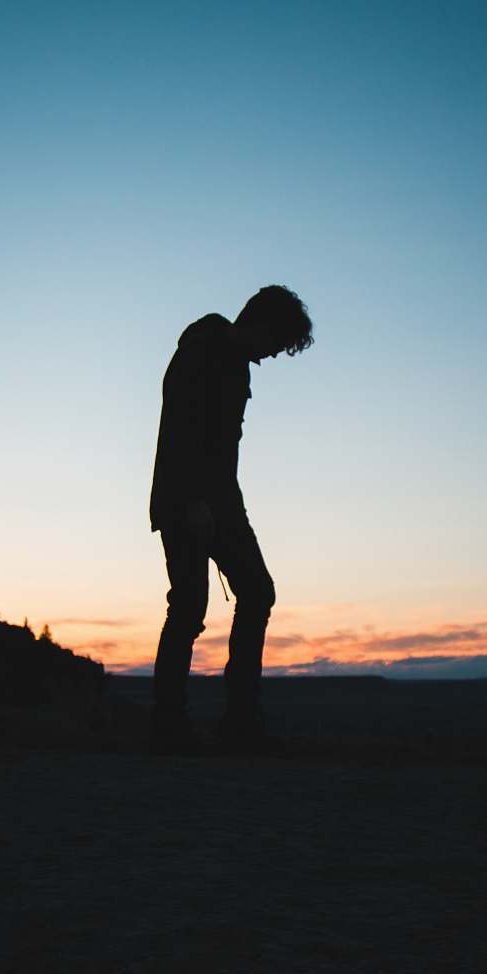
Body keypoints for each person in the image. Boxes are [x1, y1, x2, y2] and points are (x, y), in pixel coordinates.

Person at [149, 285, 314, 755]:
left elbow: (222, 449)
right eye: (276, 343)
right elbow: (184, 428)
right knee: (188, 605)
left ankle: (239, 722)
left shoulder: (236, 365)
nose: (273, 355)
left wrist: (224, 505)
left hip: (221, 502)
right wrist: (194, 501)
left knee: (255, 591)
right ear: (260, 323)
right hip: (188, 499)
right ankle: (170, 726)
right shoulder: (204, 347)